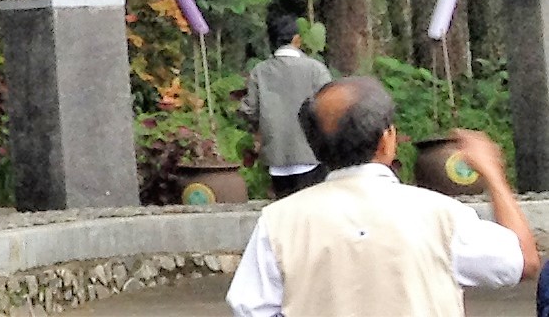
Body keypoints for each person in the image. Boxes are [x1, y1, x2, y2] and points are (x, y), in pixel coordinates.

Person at [224, 75, 537, 317]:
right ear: (388, 141)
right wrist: (493, 174)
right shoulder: (440, 214)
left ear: (316, 147)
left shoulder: (278, 222)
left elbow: (251, 307)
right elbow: (523, 262)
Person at [241, 9, 334, 197]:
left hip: (276, 158)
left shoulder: (260, 71)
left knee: (285, 212)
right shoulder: (316, 70)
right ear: (297, 39)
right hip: (312, 155)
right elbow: (331, 108)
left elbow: (249, 109)